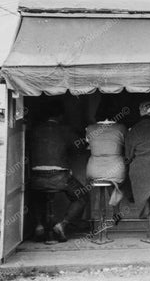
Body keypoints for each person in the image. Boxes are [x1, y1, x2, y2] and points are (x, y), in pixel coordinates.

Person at [29, 102, 87, 242]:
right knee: (81, 197)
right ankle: (62, 224)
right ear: (61, 116)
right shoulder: (65, 130)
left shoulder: (34, 130)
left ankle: (39, 225)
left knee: (35, 197)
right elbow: (79, 147)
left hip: (36, 177)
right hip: (59, 177)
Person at [85, 103, 127, 219]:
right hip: (116, 170)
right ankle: (116, 210)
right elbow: (126, 143)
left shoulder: (90, 128)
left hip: (94, 171)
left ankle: (90, 217)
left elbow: (89, 144)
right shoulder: (121, 128)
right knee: (116, 178)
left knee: (100, 178)